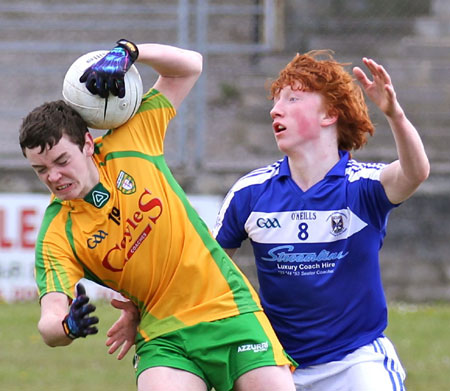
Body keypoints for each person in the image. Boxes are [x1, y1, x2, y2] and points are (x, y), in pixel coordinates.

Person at [19, 39, 297, 391]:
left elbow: (189, 66)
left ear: (88, 144)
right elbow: (49, 319)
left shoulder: (132, 141)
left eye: (61, 162)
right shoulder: (58, 233)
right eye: (40, 170)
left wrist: (130, 51)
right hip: (164, 336)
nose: (53, 177)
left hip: (229, 309)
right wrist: (66, 327)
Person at [213, 50, 430, 391]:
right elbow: (207, 271)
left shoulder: (362, 188)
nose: (275, 109)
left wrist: (395, 114)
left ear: (330, 114)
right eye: (275, 101)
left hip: (355, 361)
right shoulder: (250, 193)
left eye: (293, 98)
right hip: (276, 366)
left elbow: (415, 173)